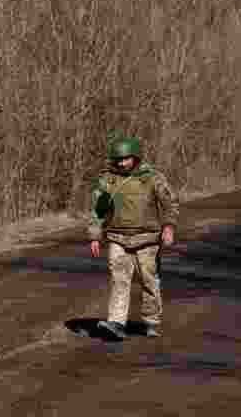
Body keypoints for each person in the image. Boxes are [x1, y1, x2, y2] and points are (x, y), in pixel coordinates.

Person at [88, 136, 179, 340]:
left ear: (136, 157)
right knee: (119, 279)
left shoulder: (152, 177)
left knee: (149, 281)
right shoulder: (108, 179)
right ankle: (116, 322)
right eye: (118, 159)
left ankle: (151, 320)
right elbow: (98, 209)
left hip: (147, 238)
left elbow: (169, 203)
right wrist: (94, 236)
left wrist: (168, 227)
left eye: (126, 159)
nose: (121, 163)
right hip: (117, 237)